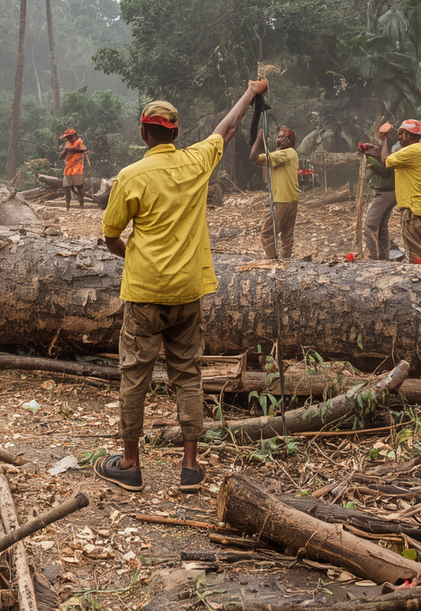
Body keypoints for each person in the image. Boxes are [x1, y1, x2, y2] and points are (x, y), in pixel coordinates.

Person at [95, 79, 268, 494]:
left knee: (134, 375)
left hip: (144, 292)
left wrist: (131, 256)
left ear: (144, 132)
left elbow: (111, 235)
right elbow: (227, 127)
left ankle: (130, 464)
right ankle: (190, 466)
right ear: (175, 133)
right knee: (187, 374)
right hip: (188, 291)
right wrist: (250, 92)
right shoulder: (196, 162)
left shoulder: (130, 177)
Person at [381, 119, 421, 264]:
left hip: (412, 208)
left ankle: (419, 274)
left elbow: (385, 160)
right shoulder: (417, 149)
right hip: (415, 206)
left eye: (401, 133)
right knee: (416, 247)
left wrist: (384, 139)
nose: (399, 137)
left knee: (414, 250)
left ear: (409, 135)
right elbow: (390, 156)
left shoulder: (412, 151)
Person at [250, 125, 299, 259]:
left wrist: (260, 137)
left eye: (281, 137)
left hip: (282, 200)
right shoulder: (288, 154)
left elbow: (253, 157)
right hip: (292, 199)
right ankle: (286, 260)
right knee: (287, 235)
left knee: (267, 232)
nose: (278, 140)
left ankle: (273, 260)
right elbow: (258, 159)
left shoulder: (285, 154)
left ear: (288, 139)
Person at [358, 123, 398, 260]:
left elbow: (384, 168)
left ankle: (375, 256)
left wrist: (369, 158)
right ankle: (383, 256)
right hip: (390, 192)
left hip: (386, 193)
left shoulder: (395, 148)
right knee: (382, 226)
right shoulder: (390, 146)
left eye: (383, 134)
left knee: (370, 225)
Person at [59, 129, 89, 209]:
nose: (69, 139)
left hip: (77, 167)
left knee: (79, 186)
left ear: (74, 136)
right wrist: (64, 151)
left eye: (70, 137)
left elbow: (83, 151)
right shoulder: (67, 144)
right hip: (68, 167)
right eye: (67, 138)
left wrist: (70, 150)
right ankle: (67, 206)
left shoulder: (79, 142)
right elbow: (61, 157)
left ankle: (81, 204)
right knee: (67, 187)